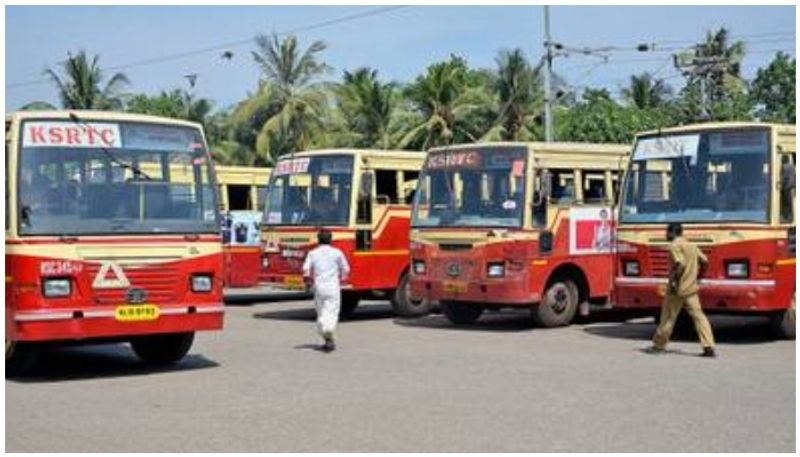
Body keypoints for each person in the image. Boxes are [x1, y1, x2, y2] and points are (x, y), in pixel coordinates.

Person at [646, 223, 716, 357]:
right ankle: (708, 346)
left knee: (668, 318)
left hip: (677, 289)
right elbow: (705, 261)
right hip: (691, 289)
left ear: (672, 233)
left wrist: (674, 282)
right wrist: (699, 275)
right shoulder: (692, 245)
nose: (666, 235)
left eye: (667, 232)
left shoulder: (674, 246)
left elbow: (680, 263)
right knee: (699, 317)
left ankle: (659, 345)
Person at [302, 228, 351, 352]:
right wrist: (343, 278)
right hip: (333, 287)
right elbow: (346, 269)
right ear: (331, 240)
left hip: (319, 287)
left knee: (321, 311)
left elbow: (306, 269)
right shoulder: (337, 253)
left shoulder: (313, 253)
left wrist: (308, 282)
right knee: (332, 311)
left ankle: (327, 338)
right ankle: (327, 331)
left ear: (318, 240)